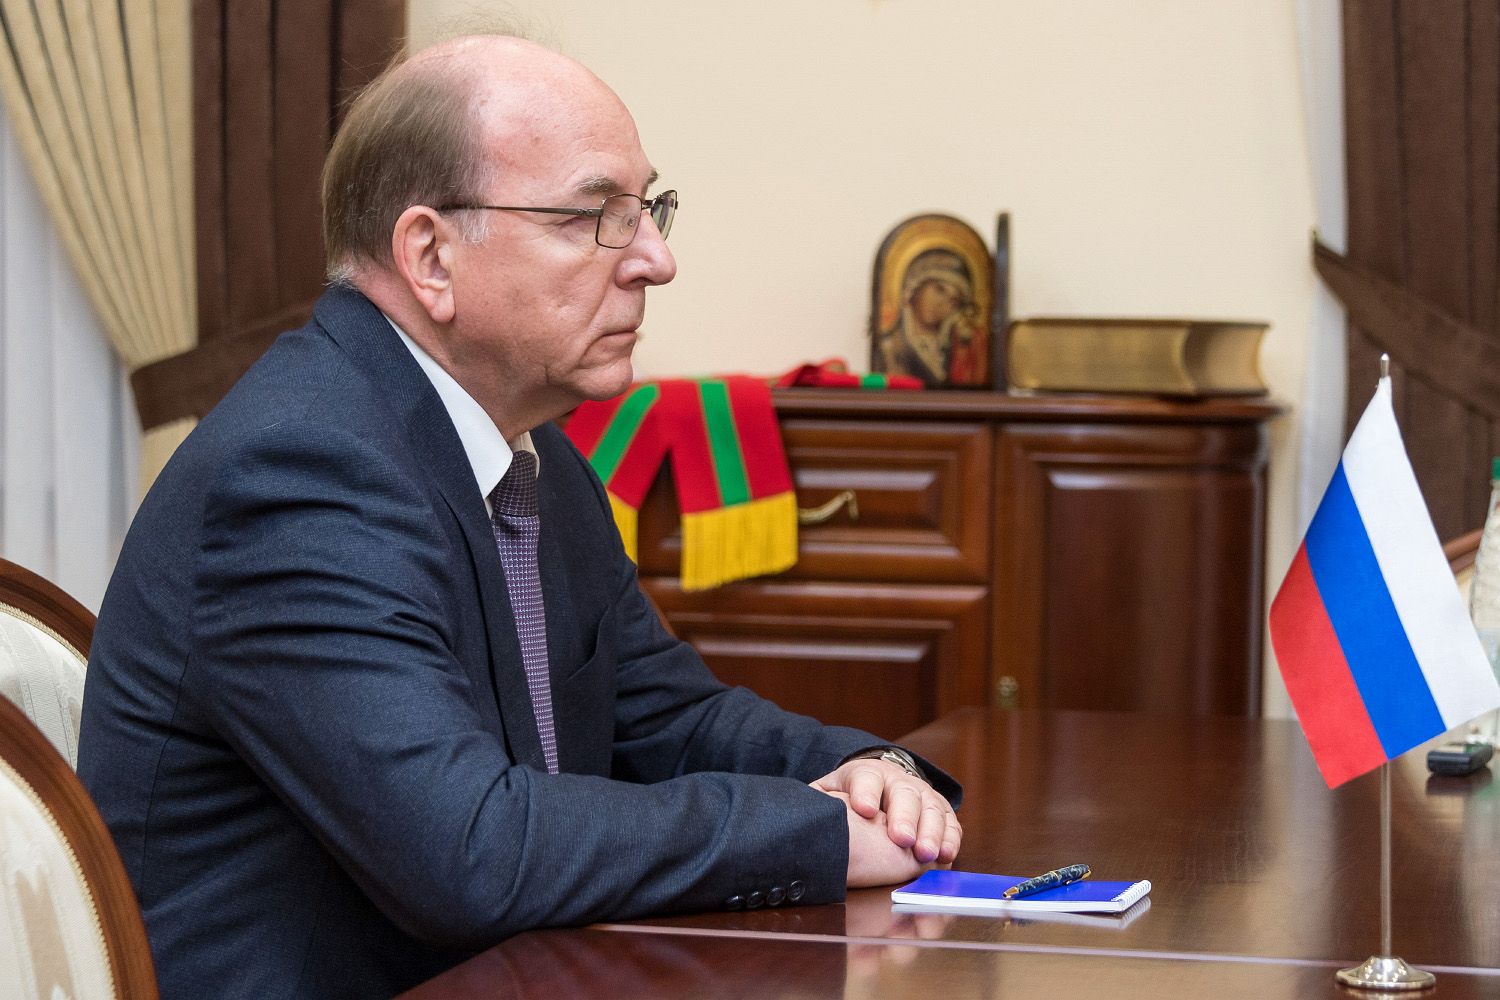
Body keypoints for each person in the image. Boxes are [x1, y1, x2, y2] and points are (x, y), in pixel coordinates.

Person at [77, 33, 962, 1000]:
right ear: (431, 257)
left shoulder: (533, 454)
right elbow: (467, 848)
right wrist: (812, 833)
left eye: (649, 209)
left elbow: (670, 719)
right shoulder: (298, 472)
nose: (656, 260)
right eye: (595, 217)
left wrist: (870, 772)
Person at [873, 248, 986, 386]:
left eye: (953, 300)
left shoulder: (954, 350)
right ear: (916, 286)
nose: (942, 303)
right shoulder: (890, 348)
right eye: (939, 289)